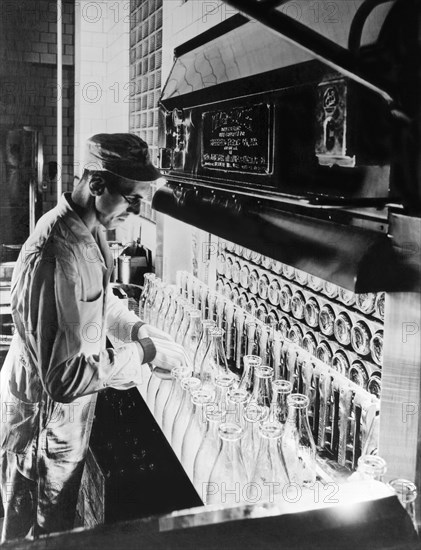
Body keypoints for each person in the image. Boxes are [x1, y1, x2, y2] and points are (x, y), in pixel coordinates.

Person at [0, 133, 187, 541]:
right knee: (28, 535)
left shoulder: (90, 228)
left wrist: (136, 328)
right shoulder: (58, 255)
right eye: (131, 198)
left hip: (64, 421)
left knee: (59, 529)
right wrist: (142, 353)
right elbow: (63, 380)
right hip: (41, 426)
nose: (136, 211)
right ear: (97, 184)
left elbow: (101, 303)